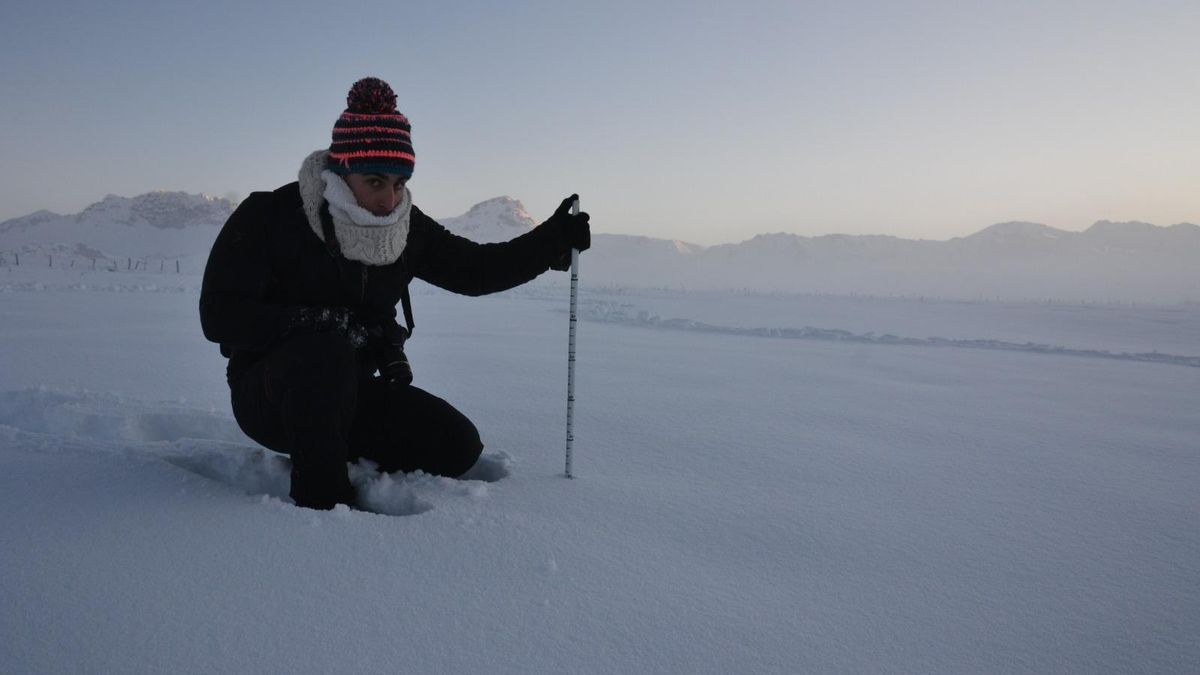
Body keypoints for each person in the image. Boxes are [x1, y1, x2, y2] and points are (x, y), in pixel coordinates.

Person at [199, 77, 590, 510]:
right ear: (341, 172)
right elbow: (219, 314)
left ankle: (332, 446)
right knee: (322, 350)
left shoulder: (405, 228)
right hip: (268, 397)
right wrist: (316, 323)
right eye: (376, 181)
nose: (389, 200)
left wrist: (550, 242)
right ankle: (321, 507)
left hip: (350, 394)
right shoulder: (271, 215)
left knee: (456, 443)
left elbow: (476, 270)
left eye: (400, 183)